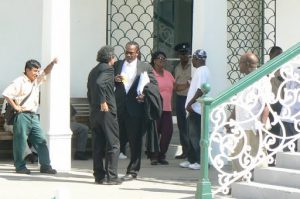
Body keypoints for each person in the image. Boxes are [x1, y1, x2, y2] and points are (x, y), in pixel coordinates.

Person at [2, 59, 58, 174]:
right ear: (27, 70)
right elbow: (6, 93)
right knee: (20, 142)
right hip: (22, 116)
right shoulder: (19, 81)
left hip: (33, 116)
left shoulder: (36, 81)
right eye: (34, 71)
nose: (37, 73)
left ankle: (45, 166)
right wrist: (16, 107)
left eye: (38, 71)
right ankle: (20, 167)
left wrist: (52, 64)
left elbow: (45, 72)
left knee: (41, 140)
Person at [114, 41, 159, 180]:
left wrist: (144, 95)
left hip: (136, 109)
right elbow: (110, 82)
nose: (128, 55)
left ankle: (132, 171)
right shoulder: (117, 65)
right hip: (119, 107)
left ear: (137, 52)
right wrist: (115, 79)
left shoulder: (145, 67)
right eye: (126, 52)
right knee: (115, 140)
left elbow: (154, 86)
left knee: (135, 141)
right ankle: (111, 171)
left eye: (131, 52)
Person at [229, 52, 270, 173]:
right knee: (235, 154)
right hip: (241, 125)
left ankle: (261, 181)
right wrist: (229, 120)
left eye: (240, 63)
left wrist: (261, 124)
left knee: (257, 155)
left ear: (247, 64)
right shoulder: (245, 79)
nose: (238, 65)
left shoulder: (262, 80)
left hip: (254, 126)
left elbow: (266, 105)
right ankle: (238, 181)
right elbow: (239, 103)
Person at [87, 45, 122, 185]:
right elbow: (100, 83)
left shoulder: (94, 70)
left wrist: (113, 80)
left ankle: (99, 176)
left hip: (95, 112)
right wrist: (103, 102)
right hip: (106, 111)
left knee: (98, 144)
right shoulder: (108, 69)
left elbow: (91, 89)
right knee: (114, 144)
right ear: (110, 58)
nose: (115, 60)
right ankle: (112, 177)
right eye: (114, 57)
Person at [179, 49, 210, 170]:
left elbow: (201, 89)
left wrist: (191, 104)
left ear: (198, 59)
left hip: (196, 109)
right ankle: (191, 159)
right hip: (193, 109)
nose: (192, 61)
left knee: (195, 136)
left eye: (194, 59)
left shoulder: (202, 71)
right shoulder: (200, 71)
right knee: (190, 135)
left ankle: (198, 161)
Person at [149, 51, 175, 165]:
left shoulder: (168, 74)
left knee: (167, 132)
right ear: (154, 60)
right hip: (154, 108)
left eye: (164, 58)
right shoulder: (150, 74)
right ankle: (153, 156)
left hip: (167, 109)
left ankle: (161, 155)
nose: (162, 60)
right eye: (160, 58)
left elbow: (176, 87)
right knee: (154, 133)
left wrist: (189, 83)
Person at [173, 42, 192, 159]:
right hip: (180, 99)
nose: (184, 56)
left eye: (185, 53)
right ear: (178, 55)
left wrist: (183, 86)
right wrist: (186, 84)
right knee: (182, 126)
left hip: (191, 99)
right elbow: (175, 87)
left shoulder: (194, 66)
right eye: (181, 54)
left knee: (191, 126)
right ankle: (185, 150)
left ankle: (192, 151)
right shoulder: (176, 68)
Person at [268, 46, 283, 166]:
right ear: (270, 55)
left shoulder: (283, 68)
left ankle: (274, 158)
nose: (280, 57)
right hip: (269, 104)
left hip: (280, 104)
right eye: (277, 54)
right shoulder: (266, 68)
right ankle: (270, 158)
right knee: (269, 132)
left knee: (277, 132)